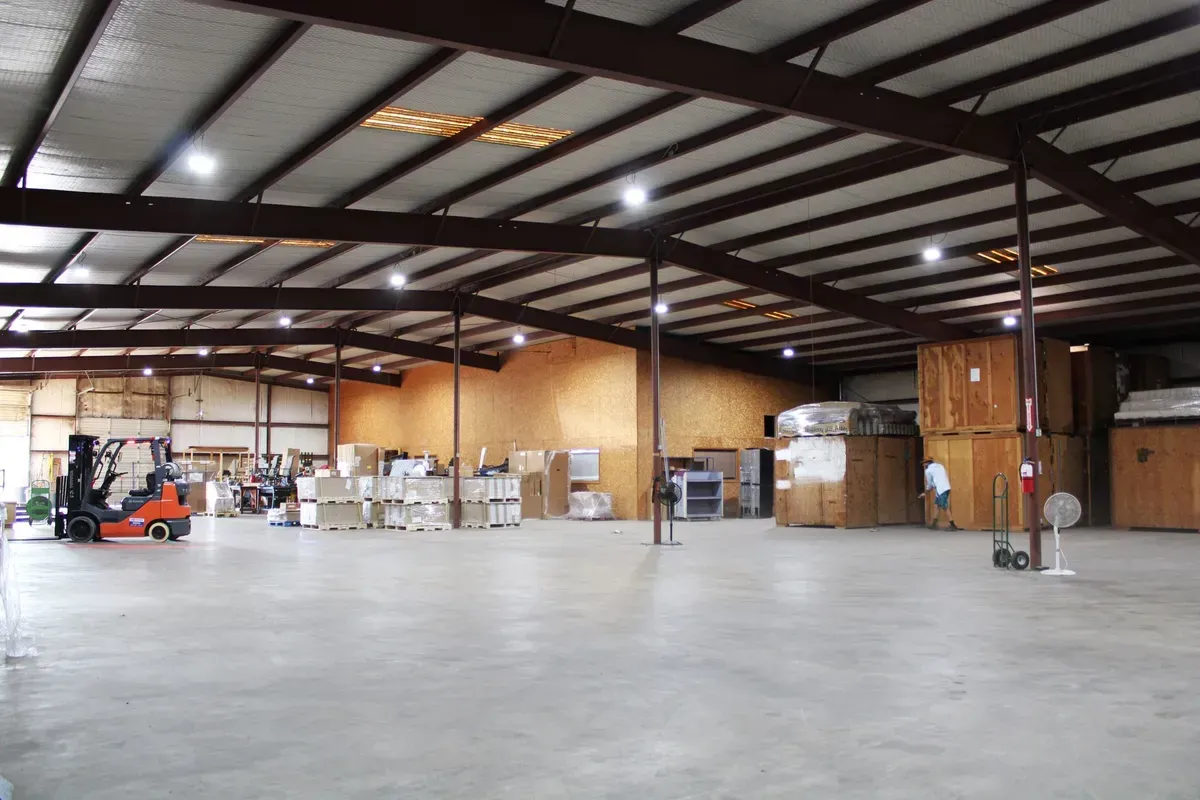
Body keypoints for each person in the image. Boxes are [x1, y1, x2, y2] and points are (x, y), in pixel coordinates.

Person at [919, 457, 959, 531]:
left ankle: (953, 526)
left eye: (923, 463)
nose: (923, 465)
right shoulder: (940, 466)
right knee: (937, 505)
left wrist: (925, 493)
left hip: (941, 490)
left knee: (945, 507)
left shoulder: (928, 471)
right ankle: (933, 524)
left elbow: (930, 484)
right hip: (946, 487)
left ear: (927, 463)